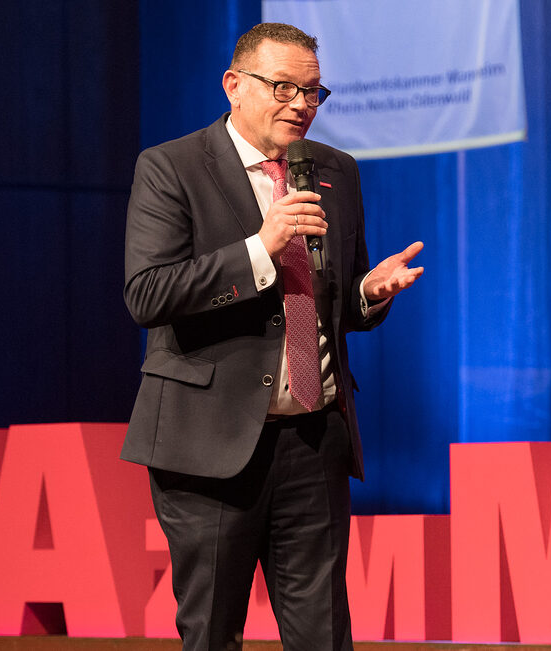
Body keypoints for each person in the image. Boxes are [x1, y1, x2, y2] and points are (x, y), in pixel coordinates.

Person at [120, 22, 423, 651]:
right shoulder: (172, 167)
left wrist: (368, 295)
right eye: (283, 87)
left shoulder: (335, 170)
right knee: (211, 631)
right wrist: (260, 249)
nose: (301, 105)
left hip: (313, 438)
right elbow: (148, 295)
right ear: (234, 85)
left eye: (314, 93)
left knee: (324, 635)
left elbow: (329, 302)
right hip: (210, 443)